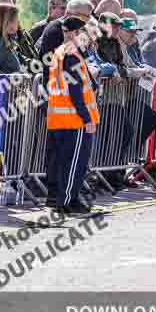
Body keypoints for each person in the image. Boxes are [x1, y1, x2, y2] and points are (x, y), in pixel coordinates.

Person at [46, 15, 100, 214]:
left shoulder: (62, 52)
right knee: (75, 162)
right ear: (76, 33)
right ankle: (68, 200)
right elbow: (76, 90)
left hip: (60, 118)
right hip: (74, 119)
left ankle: (66, 198)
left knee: (64, 162)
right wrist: (87, 118)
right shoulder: (71, 55)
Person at [0, 4, 24, 74]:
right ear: (8, 22)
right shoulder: (0, 43)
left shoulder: (8, 42)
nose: (18, 23)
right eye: (16, 20)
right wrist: (12, 77)